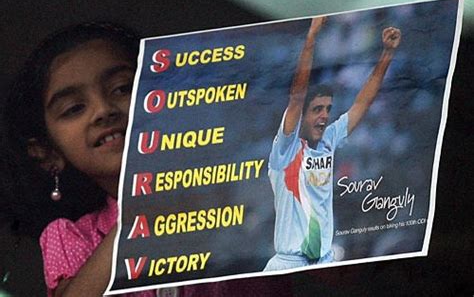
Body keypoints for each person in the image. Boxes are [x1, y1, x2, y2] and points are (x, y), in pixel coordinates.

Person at [1, 22, 293, 296]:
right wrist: (140, 213)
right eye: (74, 108)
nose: (104, 110)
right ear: (48, 153)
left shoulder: (239, 194)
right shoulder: (71, 237)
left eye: (123, 88)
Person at [265, 17, 401, 271]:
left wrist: (387, 54)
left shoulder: (329, 138)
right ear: (300, 117)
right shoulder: (285, 149)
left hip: (324, 261)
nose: (324, 115)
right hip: (288, 264)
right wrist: (311, 40)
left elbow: (362, 103)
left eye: (327, 109)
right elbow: (296, 98)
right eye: (317, 110)